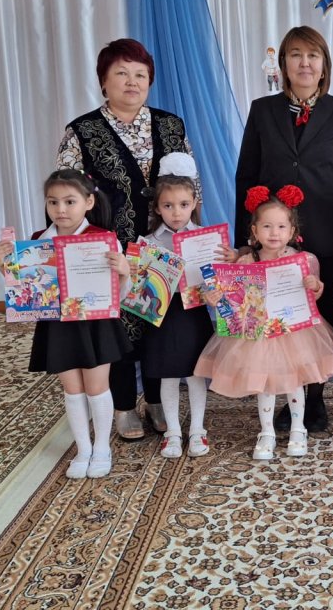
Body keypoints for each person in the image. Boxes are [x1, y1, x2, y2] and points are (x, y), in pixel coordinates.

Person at [57, 38, 200, 441]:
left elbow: (193, 185)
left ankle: (156, 401)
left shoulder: (170, 125)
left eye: (140, 74)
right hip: (108, 252)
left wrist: (194, 236)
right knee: (117, 327)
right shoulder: (82, 131)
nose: (132, 82)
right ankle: (123, 406)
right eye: (121, 73)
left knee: (159, 320)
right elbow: (66, 192)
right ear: (104, 81)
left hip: (163, 246)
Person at [234, 26, 333, 432]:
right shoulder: (262, 110)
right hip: (275, 238)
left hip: (330, 231)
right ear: (283, 65)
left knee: (322, 319)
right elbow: (246, 176)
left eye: (313, 56)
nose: (304, 63)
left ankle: (315, 396)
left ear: (324, 65)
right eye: (295, 55)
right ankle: (287, 393)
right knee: (283, 321)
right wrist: (246, 242)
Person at [195, 186, 333, 460]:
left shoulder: (304, 260)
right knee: (265, 384)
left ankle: (298, 429)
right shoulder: (246, 261)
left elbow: (316, 294)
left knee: (295, 381)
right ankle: (267, 431)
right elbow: (233, 299)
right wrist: (215, 298)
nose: (274, 233)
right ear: (255, 231)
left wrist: (314, 284)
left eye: (281, 226)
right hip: (259, 335)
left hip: (294, 333)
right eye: (267, 226)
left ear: (292, 231)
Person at [0, 170, 131, 479]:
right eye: (53, 202)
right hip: (58, 325)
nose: (61, 209)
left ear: (89, 202)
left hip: (96, 325)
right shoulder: (38, 242)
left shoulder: (103, 239)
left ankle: (102, 448)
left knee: (97, 388)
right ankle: (83, 449)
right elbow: (27, 292)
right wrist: (3, 265)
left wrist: (123, 270)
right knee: (72, 389)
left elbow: (121, 295)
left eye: (70, 201)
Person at [136, 153, 237, 459]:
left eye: (183, 205)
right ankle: (172, 432)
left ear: (194, 203)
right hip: (163, 318)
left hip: (194, 315)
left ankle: (197, 430)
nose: (176, 213)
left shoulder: (208, 241)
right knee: (167, 374)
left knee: (195, 374)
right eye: (168, 206)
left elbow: (223, 281)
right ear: (157, 207)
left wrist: (228, 264)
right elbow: (140, 290)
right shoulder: (149, 242)